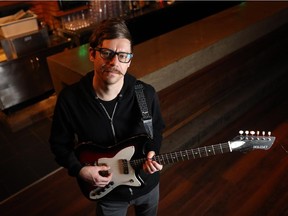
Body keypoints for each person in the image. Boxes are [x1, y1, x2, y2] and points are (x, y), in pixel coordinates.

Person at [49, 18, 165, 216]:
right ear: (92, 54)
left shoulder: (145, 94)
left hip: (147, 185)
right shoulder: (70, 99)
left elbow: (156, 129)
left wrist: (152, 152)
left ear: (129, 60)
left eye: (123, 56)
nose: (114, 62)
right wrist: (80, 170)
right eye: (107, 53)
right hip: (107, 195)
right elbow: (59, 144)